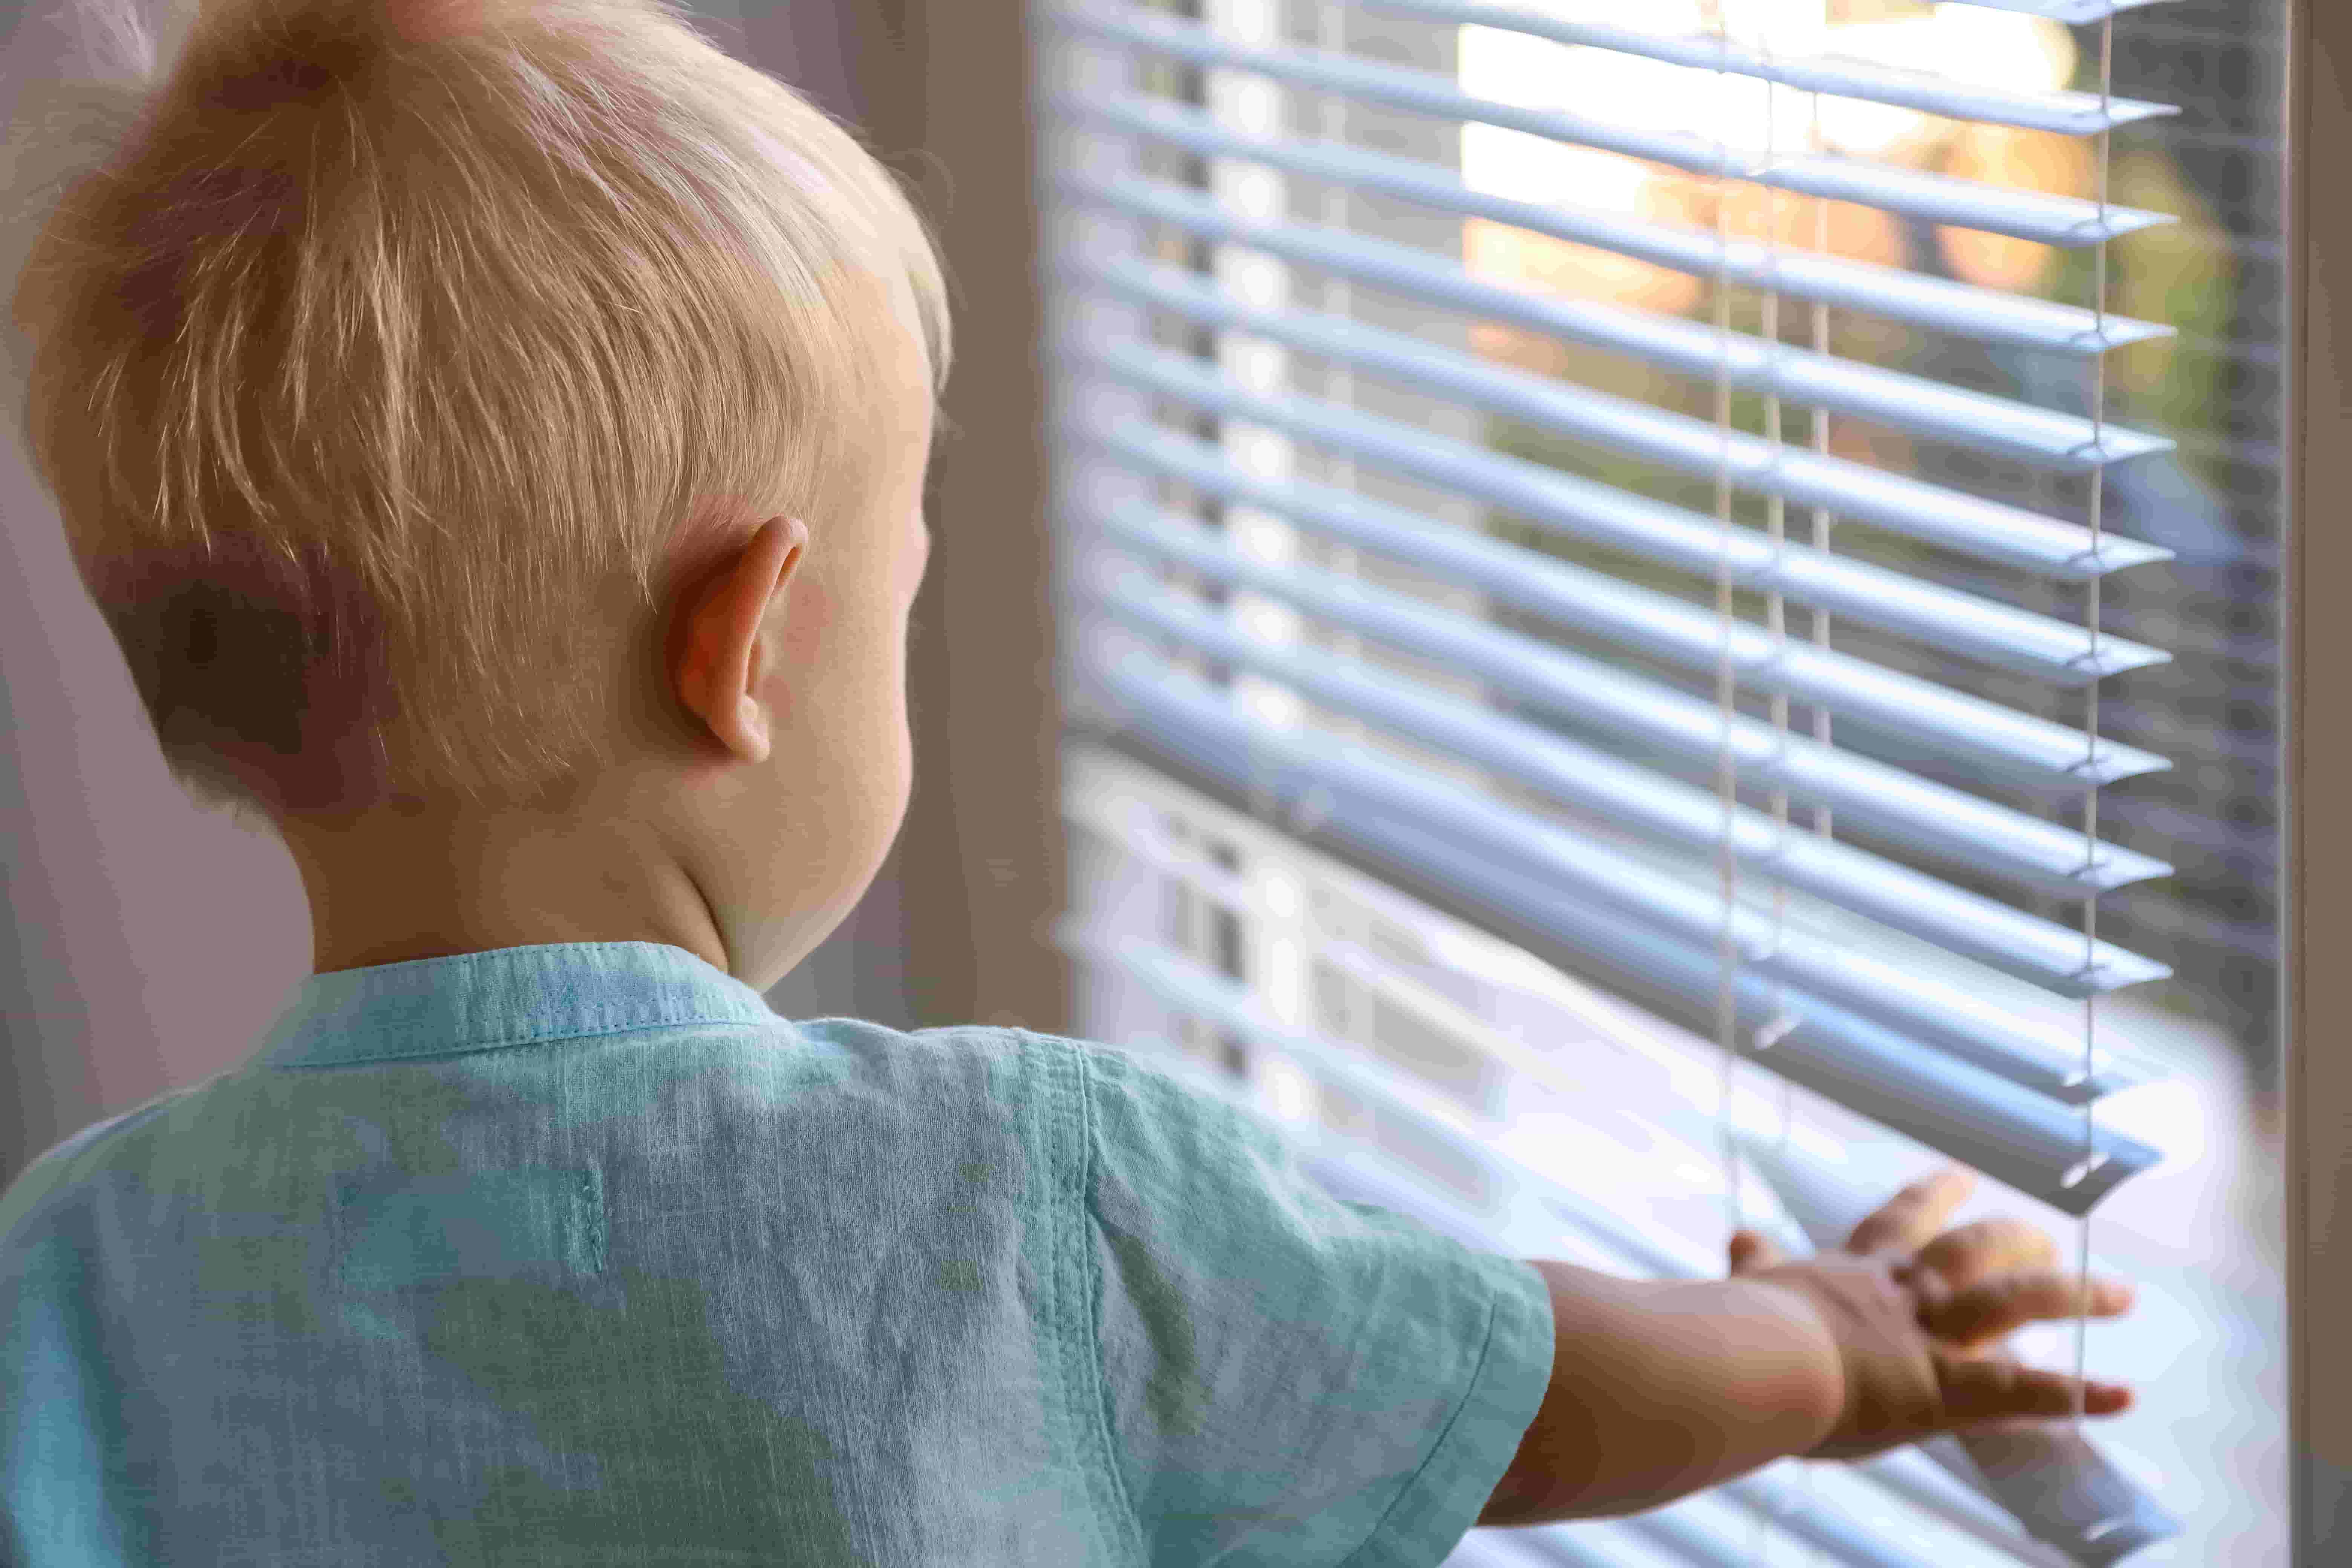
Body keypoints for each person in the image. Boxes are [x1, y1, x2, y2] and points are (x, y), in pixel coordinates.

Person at [0, 1, 2139, 1562]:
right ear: (747, 648)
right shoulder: (1027, 1190)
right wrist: (1837, 1355)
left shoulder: (69, 1279)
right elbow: (1519, 1384)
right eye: (909, 593)